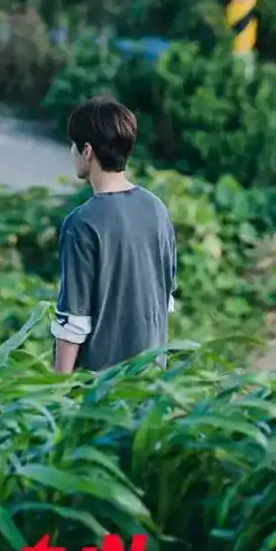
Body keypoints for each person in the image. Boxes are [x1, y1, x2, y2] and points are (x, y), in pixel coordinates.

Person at [51, 96, 178, 373]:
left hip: (101, 389)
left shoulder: (82, 223)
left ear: (87, 151)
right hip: (151, 380)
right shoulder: (156, 207)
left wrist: (56, 392)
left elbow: (74, 321)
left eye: (73, 145)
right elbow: (164, 299)